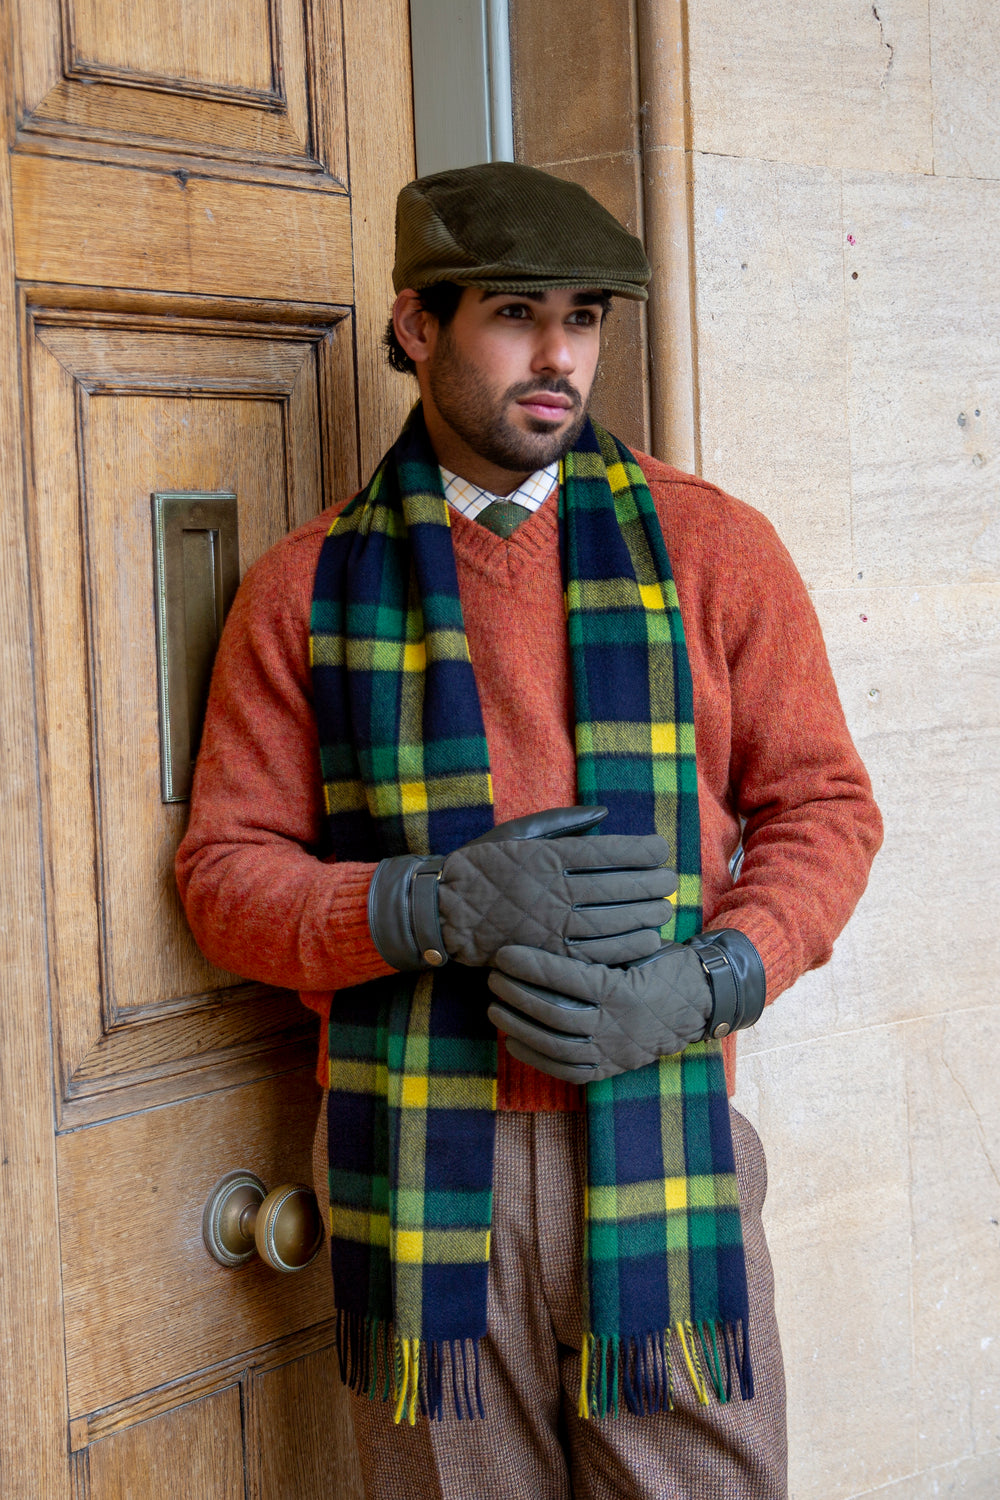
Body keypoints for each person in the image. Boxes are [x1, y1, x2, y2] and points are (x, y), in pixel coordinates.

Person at [177, 161, 882, 1500]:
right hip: (421, 1165)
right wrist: (418, 906)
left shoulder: (713, 550)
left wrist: (710, 981)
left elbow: (825, 811)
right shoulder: (305, 590)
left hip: (664, 1139)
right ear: (414, 327)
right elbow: (224, 877)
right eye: (515, 313)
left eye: (585, 317)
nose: (559, 355)